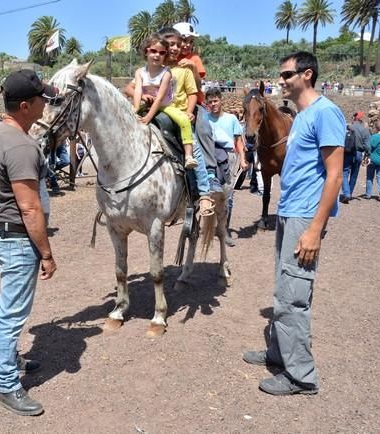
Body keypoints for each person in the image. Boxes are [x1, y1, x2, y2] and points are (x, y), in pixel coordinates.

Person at [243, 51, 345, 396]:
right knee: (284, 287)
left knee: (294, 294)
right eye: (281, 74)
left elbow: (334, 176)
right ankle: (277, 352)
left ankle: (301, 376)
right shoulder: (301, 116)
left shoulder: (326, 113)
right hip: (289, 211)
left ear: (307, 74)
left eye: (287, 74)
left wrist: (315, 229)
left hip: (305, 216)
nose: (282, 80)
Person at [0, 69, 58, 416]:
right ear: (26, 105)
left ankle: (11, 361)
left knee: (7, 309)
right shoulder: (20, 145)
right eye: (42, 98)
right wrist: (46, 253)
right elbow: (29, 207)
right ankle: (7, 385)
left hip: (4, 231)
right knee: (12, 314)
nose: (46, 103)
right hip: (18, 238)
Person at [132, 33, 197, 170]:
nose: (157, 55)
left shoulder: (166, 73)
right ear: (146, 52)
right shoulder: (140, 72)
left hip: (165, 106)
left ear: (165, 55)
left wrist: (148, 117)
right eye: (153, 51)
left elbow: (160, 98)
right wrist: (135, 109)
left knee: (184, 121)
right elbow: (137, 91)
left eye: (161, 53)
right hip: (147, 104)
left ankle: (189, 155)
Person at [204, 87, 248, 246]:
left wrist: (242, 160)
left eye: (215, 101)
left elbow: (238, 141)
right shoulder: (205, 119)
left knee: (227, 195)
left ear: (221, 100)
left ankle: (224, 230)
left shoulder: (231, 119)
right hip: (210, 156)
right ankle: (206, 228)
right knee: (207, 192)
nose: (213, 104)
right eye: (210, 102)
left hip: (229, 157)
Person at [340, 111, 371, 203]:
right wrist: (368, 154)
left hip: (347, 153)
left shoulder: (347, 128)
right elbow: (368, 145)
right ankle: (349, 193)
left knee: (344, 173)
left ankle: (346, 193)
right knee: (354, 174)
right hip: (358, 154)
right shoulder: (365, 130)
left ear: (354, 118)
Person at [173, 22, 206, 105]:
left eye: (191, 41)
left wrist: (193, 67)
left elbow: (198, 86)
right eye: (184, 41)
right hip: (175, 101)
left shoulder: (195, 59)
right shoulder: (168, 58)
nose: (188, 45)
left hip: (195, 102)